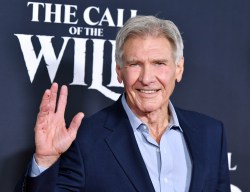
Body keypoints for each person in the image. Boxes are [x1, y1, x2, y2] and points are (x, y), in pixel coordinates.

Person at [16, 15, 230, 192]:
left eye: (159, 63)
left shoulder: (210, 133)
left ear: (179, 69)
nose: (147, 78)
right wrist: (45, 161)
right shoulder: (85, 139)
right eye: (135, 64)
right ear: (119, 72)